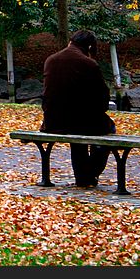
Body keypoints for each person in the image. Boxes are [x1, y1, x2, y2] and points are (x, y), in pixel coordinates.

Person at [40, 29, 116, 188]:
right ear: (89, 47)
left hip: (53, 121)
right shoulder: (88, 64)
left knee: (78, 135)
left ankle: (84, 177)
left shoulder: (50, 60)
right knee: (108, 129)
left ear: (71, 41)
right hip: (80, 122)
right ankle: (89, 172)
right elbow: (102, 98)